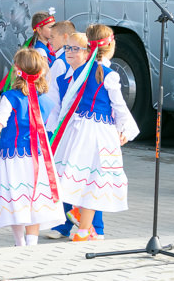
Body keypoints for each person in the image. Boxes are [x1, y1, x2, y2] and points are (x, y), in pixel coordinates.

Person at [50, 26, 139, 242]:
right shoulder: (109, 75)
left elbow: (68, 103)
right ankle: (83, 228)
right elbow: (118, 106)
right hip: (100, 131)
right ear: (111, 47)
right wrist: (126, 130)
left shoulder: (79, 71)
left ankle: (82, 221)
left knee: (81, 176)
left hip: (78, 129)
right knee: (95, 178)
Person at [0, 48, 64, 246]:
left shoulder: (11, 97)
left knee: (16, 198)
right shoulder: (46, 100)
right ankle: (32, 243)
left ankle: (20, 243)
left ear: (17, 70)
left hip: (14, 156)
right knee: (34, 199)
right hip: (39, 157)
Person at [46, 21, 75, 93]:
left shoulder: (59, 62)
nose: (49, 41)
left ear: (65, 37)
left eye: (52, 37)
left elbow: (52, 92)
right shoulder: (75, 57)